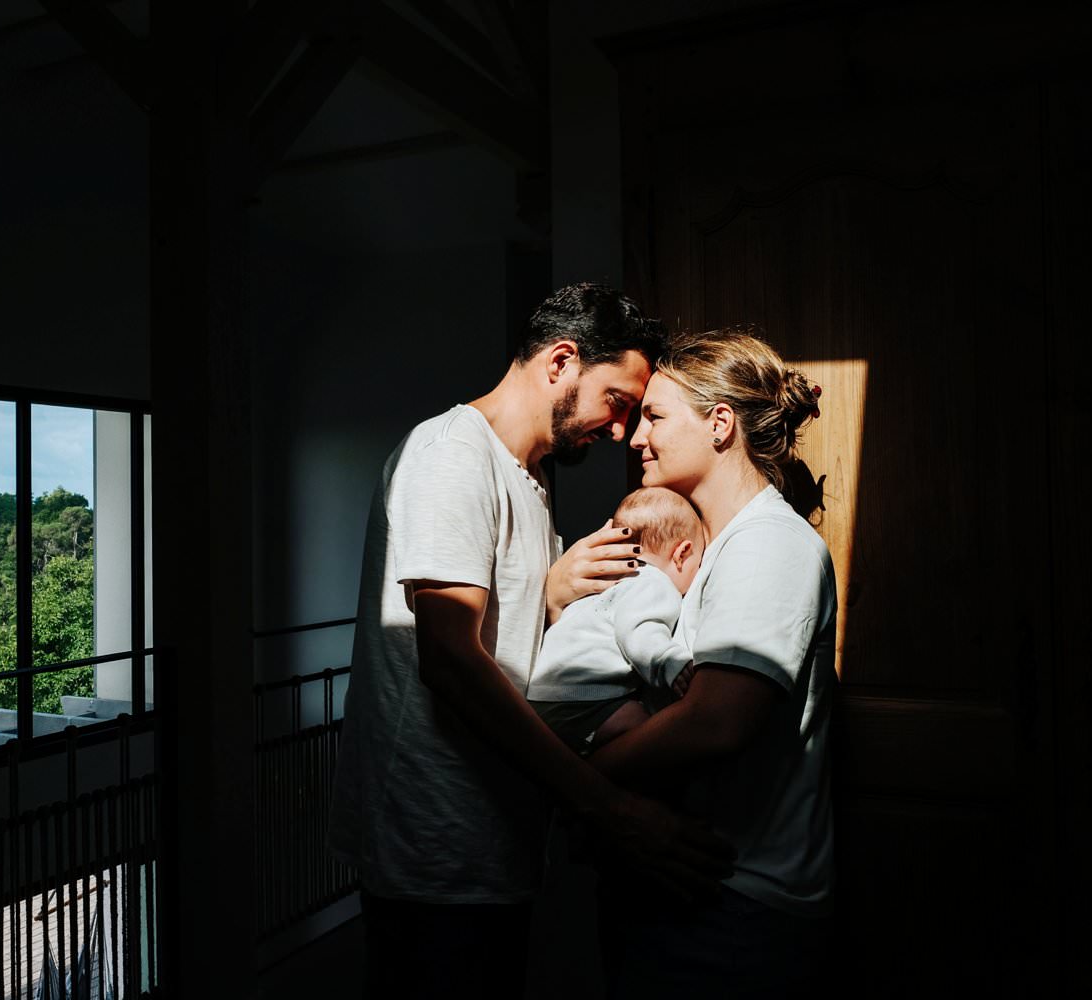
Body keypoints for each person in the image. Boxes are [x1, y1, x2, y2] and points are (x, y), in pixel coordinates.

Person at [328, 283, 734, 999]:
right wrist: (605, 805)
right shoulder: (453, 453)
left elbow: (496, 635)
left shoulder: (530, 478)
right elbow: (451, 659)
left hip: (491, 836)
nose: (620, 432)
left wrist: (550, 592)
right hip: (434, 846)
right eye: (616, 401)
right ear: (561, 362)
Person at [590, 327, 835, 998]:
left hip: (738, 907)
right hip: (696, 891)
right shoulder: (719, 547)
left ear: (720, 424)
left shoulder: (769, 547)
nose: (637, 436)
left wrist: (584, 782)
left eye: (656, 417)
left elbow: (718, 720)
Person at [525, 486, 704, 757]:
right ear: (682, 554)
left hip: (543, 695)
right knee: (652, 733)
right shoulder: (654, 583)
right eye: (698, 563)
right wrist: (671, 662)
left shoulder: (604, 582)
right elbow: (639, 631)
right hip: (587, 698)